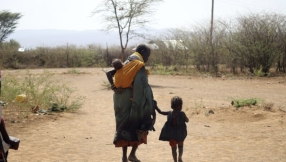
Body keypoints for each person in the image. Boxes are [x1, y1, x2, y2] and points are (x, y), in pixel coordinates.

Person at [106, 44, 156, 162]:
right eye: (147, 55)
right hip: (133, 100)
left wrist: (113, 87)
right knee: (142, 124)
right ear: (142, 52)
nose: (147, 58)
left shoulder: (129, 61)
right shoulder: (138, 64)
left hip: (120, 100)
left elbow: (109, 73)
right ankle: (132, 154)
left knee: (123, 127)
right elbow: (140, 86)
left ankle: (124, 157)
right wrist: (148, 100)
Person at [154, 96, 189, 162]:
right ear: (180, 106)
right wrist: (185, 119)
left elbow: (160, 112)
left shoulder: (169, 113)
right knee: (180, 146)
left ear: (172, 106)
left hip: (171, 135)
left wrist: (155, 106)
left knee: (173, 149)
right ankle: (180, 157)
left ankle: (175, 161)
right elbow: (187, 120)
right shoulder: (182, 114)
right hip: (180, 134)